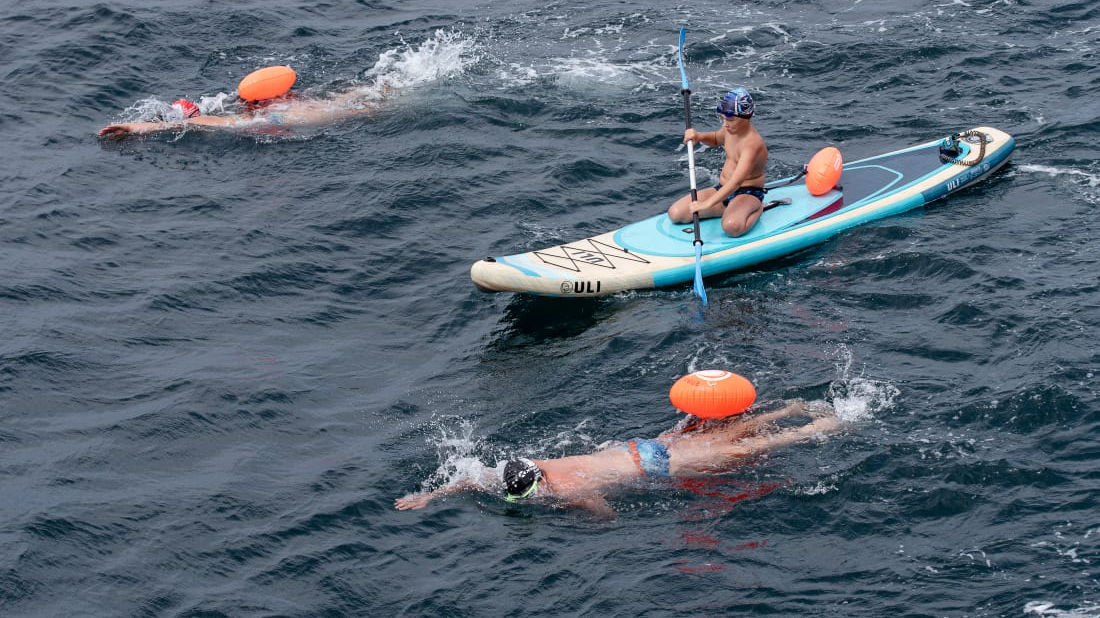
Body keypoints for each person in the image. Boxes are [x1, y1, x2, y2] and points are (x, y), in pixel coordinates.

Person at [394, 399, 841, 516]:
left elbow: (605, 514)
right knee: (728, 436)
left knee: (751, 448)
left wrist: (581, 510)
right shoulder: (527, 464)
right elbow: (472, 478)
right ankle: (791, 409)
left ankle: (825, 426)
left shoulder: (566, 488)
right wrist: (431, 496)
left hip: (656, 466)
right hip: (635, 447)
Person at [667, 87, 769, 238]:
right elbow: (716, 139)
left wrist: (706, 204)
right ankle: (726, 208)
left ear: (746, 117)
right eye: (723, 119)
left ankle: (758, 208)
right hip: (722, 189)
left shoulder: (752, 144)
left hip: (747, 193)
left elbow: (736, 182)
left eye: (730, 119)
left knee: (732, 227)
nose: (725, 124)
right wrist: (699, 136)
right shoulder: (729, 129)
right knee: (675, 214)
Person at [97, 88, 384, 138]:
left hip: (361, 113)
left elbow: (191, 124)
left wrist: (134, 127)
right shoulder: (286, 108)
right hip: (359, 109)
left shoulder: (260, 117)